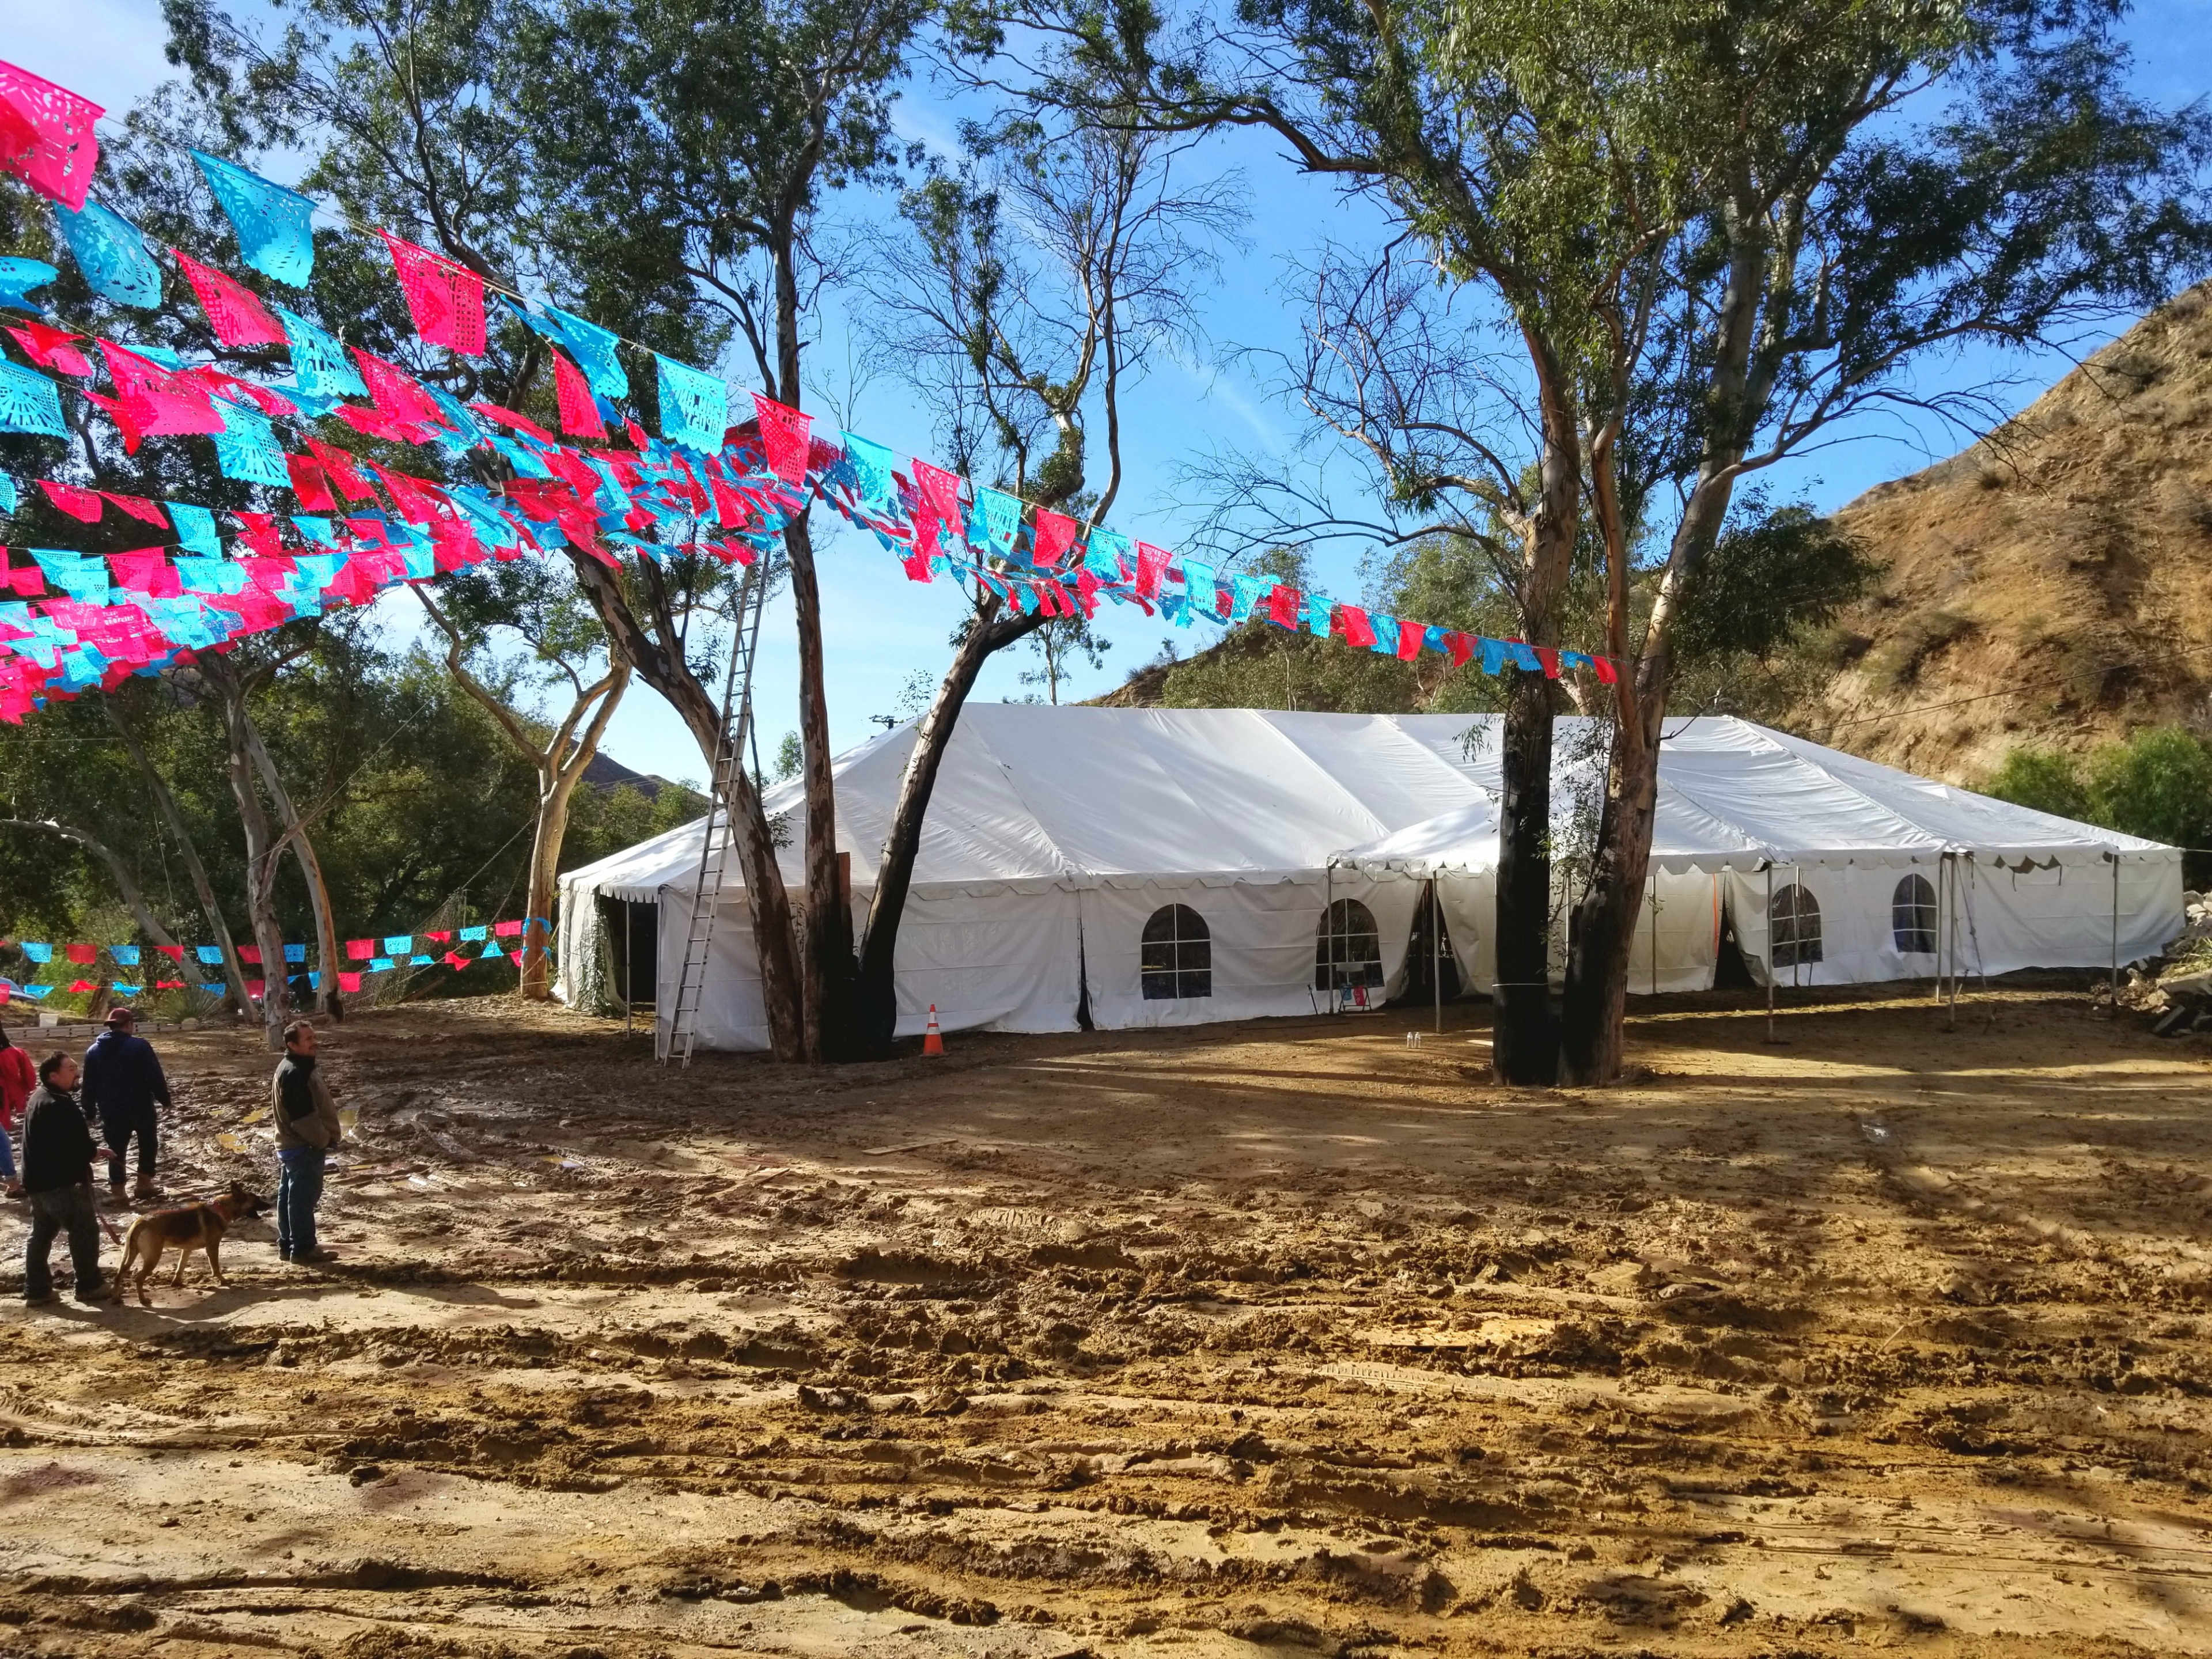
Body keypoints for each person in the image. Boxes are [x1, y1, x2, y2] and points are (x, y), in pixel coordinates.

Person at [21, 1052, 107, 1305]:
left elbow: (62, 1139)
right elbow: (73, 1144)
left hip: (38, 1181)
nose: (76, 1073)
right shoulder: (58, 1104)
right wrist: (92, 1153)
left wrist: (94, 1151)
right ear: (53, 1075)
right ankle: (89, 1286)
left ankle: (36, 1290)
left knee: (42, 1233)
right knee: (84, 1230)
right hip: (61, 1182)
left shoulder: (40, 1097)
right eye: (70, 1069)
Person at [80, 1006, 170, 1202]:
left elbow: (88, 1084)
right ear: (129, 1025)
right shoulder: (140, 1046)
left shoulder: (93, 1051)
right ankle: (144, 1184)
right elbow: (155, 1075)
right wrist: (164, 1099)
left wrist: (89, 1110)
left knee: (116, 1149)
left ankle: (118, 1192)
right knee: (148, 1144)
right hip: (141, 1107)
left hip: (111, 1109)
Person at [272, 1020, 341, 1265]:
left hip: (294, 1146)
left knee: (290, 1197)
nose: (315, 1042)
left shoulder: (297, 1067)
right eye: (309, 1039)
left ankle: (288, 1245)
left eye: (314, 1036)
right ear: (292, 1045)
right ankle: (302, 1249)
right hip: (303, 1146)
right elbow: (302, 1118)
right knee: (302, 1199)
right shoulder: (294, 1072)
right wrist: (323, 1140)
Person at [0, 1025, 33, 1199]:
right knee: (2, 1142)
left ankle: (11, 1183)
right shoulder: (8, 1053)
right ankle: (12, 1184)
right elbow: (14, 1073)